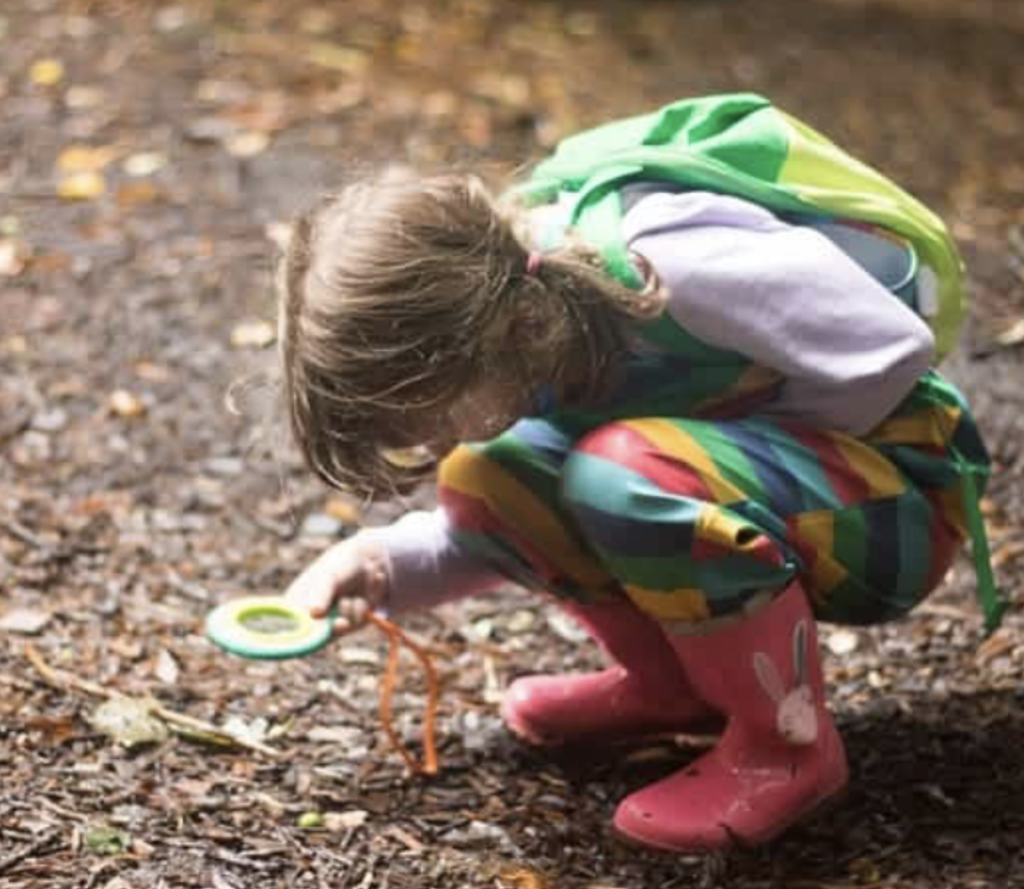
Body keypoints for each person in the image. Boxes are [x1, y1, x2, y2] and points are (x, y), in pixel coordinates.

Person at [276, 135, 991, 853]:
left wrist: (718, 460)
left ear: (470, 338)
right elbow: (505, 519)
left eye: (429, 415)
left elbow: (891, 345)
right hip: (776, 496)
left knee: (623, 470)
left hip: (898, 504)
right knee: (493, 470)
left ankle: (786, 746)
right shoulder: (530, 332)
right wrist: (382, 564)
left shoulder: (674, 263)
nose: (430, 438)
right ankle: (677, 687)